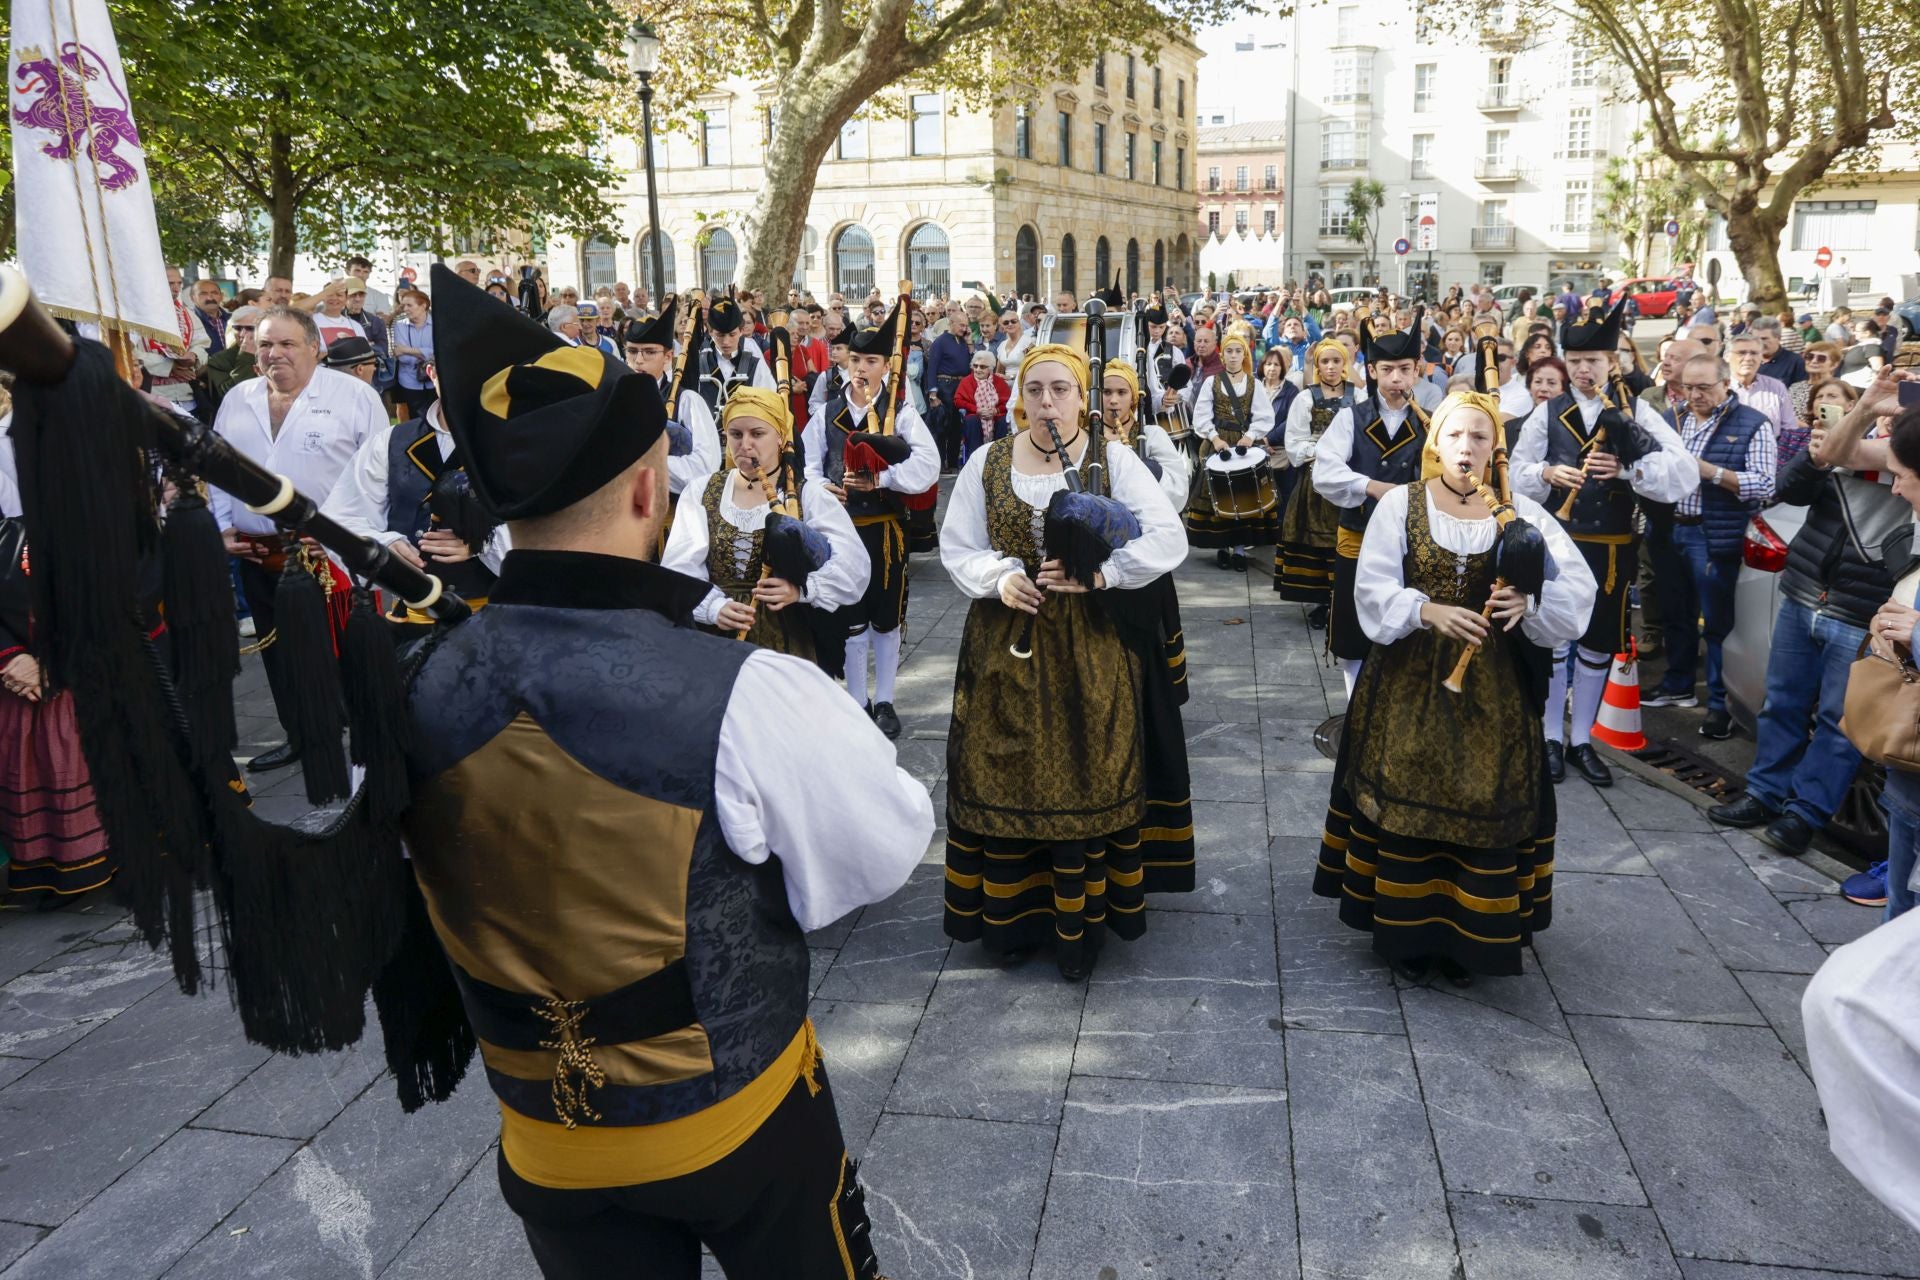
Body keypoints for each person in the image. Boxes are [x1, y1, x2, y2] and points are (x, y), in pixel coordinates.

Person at [406, 263, 930, 1278]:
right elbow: (881, 846)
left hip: (544, 1136)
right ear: (651, 487)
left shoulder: (416, 679)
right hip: (737, 1119)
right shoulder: (747, 691)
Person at [1312, 391, 1597, 984]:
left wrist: (1529, 600)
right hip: (1408, 682)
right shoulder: (1404, 506)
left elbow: (1578, 593)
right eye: (1455, 436)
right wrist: (1426, 612)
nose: (1466, 447)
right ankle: (1406, 934)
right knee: (1406, 788)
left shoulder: (1523, 516)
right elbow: (1372, 588)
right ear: (1435, 444)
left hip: (1494, 691)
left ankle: (1470, 937)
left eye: (1479, 436)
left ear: (1496, 448)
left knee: (1482, 797)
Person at [938, 343, 1187, 981]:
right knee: (1004, 765)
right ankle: (1012, 923)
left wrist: (1105, 574)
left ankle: (1080, 925)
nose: (1047, 401)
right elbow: (958, 544)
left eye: (1060, 390)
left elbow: (1169, 537)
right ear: (1020, 397)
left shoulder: (1115, 460)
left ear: (1082, 398)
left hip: (1090, 646)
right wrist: (998, 577)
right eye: (1036, 389)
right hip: (1006, 641)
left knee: (1085, 768)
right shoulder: (987, 463)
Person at [1706, 377, 1908, 861]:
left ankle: (1805, 815)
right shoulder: (1844, 437)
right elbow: (1791, 490)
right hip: (1803, 591)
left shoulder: (1903, 458)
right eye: (1886, 408)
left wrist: (1870, 432)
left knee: (1841, 722)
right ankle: (1763, 794)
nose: (1890, 415)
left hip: (1861, 608)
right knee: (1782, 703)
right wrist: (1860, 412)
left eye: (1900, 411)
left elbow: (1861, 455)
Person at [1512, 302, 1699, 782]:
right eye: (1575, 361)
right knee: (1554, 639)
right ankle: (1551, 737)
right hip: (1557, 543)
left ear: (1611, 360)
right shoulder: (1547, 411)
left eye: (1593, 360)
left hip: (1611, 548)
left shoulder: (1636, 410)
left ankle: (1583, 741)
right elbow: (1513, 472)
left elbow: (1680, 473)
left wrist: (1627, 467)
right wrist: (1546, 472)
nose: (1583, 369)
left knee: (1597, 645)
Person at [209, 307, 386, 772]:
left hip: (333, 557)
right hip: (261, 554)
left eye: (287, 344)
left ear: (315, 348)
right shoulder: (237, 398)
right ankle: (302, 735)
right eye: (266, 344)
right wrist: (223, 527)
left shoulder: (354, 397)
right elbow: (217, 470)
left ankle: (372, 738)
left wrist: (338, 536)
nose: (274, 353)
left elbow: (378, 477)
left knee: (353, 654)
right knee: (279, 654)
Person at [802, 301, 940, 738]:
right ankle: (857, 700)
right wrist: (825, 489)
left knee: (886, 616)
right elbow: (805, 466)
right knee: (852, 617)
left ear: (886, 365)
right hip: (840, 532)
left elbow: (928, 466)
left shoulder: (899, 411)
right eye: (855, 358)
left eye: (871, 360)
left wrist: (882, 478)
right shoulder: (826, 412)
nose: (861, 367)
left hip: (883, 531)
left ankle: (885, 701)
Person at [662, 387, 869, 670]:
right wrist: (712, 607)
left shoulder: (807, 496)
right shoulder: (702, 490)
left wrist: (803, 589)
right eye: (736, 434)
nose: (745, 444)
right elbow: (679, 567)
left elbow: (855, 565)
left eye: (757, 434)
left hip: (788, 640)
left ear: (781, 437)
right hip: (717, 639)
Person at [1639, 354, 1776, 737]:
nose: (1693, 395)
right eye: (1687, 387)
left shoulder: (1752, 423)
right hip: (1669, 530)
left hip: (1712, 534)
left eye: (1703, 387)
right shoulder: (1671, 419)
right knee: (1675, 615)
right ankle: (1678, 684)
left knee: (1717, 624)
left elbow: (1765, 485)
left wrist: (1708, 470)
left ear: (1725, 384)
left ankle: (1721, 704)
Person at [321, 355, 508, 635]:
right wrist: (386, 545)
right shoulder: (390, 441)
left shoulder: (512, 444)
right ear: (432, 372)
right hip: (411, 620)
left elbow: (548, 531)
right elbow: (342, 516)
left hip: (492, 619)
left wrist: (485, 542)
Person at [1311, 319, 1433, 695]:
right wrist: (1371, 486)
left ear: (1418, 371)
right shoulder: (1351, 417)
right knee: (1353, 627)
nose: (1396, 378)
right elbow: (1325, 471)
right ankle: (1354, 707)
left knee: (1402, 626)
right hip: (1359, 537)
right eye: (1387, 370)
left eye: (1404, 369)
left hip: (1409, 543)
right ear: (1371, 371)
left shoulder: (1431, 424)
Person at [1183, 326, 1278, 569]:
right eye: (1229, 351)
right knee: (1220, 497)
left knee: (1245, 498)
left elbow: (1265, 416)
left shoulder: (1254, 384)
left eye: (1238, 351)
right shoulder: (1211, 382)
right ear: (1222, 355)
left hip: (1245, 443)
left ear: (1244, 355)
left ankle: (1239, 550)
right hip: (1218, 443)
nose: (1233, 355)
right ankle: (1223, 547)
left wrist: (1250, 436)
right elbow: (1201, 416)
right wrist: (1214, 438)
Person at [1278, 338, 1357, 623]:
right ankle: (1322, 602)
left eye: (1337, 361)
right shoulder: (1306, 398)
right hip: (1316, 481)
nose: (1331, 367)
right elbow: (1295, 442)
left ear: (1344, 363)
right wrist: (1322, 451)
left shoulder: (1357, 396)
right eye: (1325, 361)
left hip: (1349, 478)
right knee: (1316, 542)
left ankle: (1345, 599)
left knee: (1347, 538)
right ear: (1318, 366)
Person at [622, 299, 723, 504]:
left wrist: (641, 466)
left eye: (649, 352)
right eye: (632, 351)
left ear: (668, 357)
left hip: (673, 517)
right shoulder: (613, 400)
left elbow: (705, 468)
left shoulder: (687, 401)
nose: (639, 360)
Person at [698, 298, 775, 413]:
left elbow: (769, 401)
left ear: (741, 331)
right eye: (720, 335)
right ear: (710, 332)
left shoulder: (755, 365)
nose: (726, 342)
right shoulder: (699, 364)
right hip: (709, 430)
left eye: (732, 334)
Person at [953, 349, 1010, 464]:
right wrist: (977, 410)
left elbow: (1008, 402)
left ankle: (998, 458)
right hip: (975, 415)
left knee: (1003, 421)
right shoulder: (966, 381)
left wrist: (996, 410)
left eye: (982, 367)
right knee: (972, 421)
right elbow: (958, 401)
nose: (978, 369)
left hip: (996, 415)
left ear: (990, 368)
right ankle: (975, 459)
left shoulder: (999, 382)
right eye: (975, 366)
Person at [205, 305, 261, 412]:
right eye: (238, 328)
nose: (243, 334)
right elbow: (228, 395)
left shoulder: (274, 353)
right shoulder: (219, 360)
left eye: (250, 328)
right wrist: (245, 358)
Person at [392, 289, 436, 420]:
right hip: (409, 381)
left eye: (409, 305)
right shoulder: (400, 325)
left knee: (434, 419)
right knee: (415, 421)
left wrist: (407, 349)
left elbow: (437, 354)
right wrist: (426, 353)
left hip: (433, 381)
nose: (405, 309)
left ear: (423, 305)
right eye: (403, 305)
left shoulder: (437, 324)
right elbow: (403, 357)